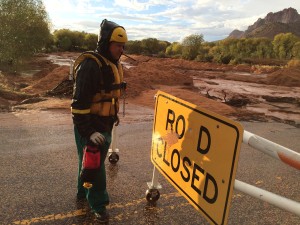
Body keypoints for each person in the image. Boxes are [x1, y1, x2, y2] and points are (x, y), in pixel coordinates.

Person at [71, 19, 128, 223]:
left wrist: (113, 116)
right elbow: (78, 105)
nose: (121, 50)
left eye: (123, 46)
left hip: (104, 124)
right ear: (105, 43)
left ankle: (82, 192)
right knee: (95, 166)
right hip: (90, 127)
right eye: (117, 45)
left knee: (86, 162)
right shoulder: (90, 66)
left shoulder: (112, 64)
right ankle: (99, 205)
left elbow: (108, 97)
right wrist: (88, 132)